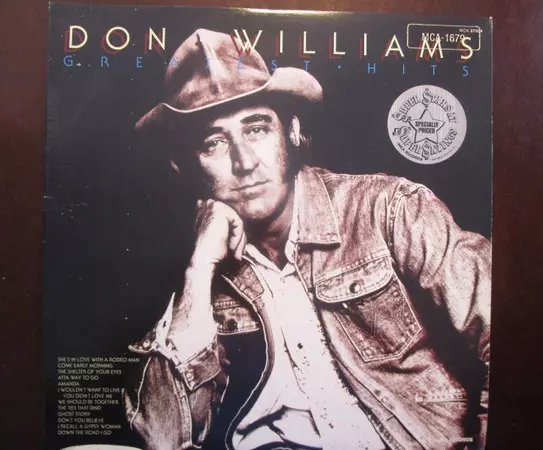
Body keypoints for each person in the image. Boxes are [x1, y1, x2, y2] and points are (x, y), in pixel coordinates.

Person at [124, 28, 491, 450]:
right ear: (184, 166)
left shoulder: (389, 209)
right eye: (214, 143)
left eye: (256, 129)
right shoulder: (192, 266)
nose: (244, 162)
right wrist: (199, 268)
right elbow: (165, 438)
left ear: (292, 131)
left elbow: (514, 335)